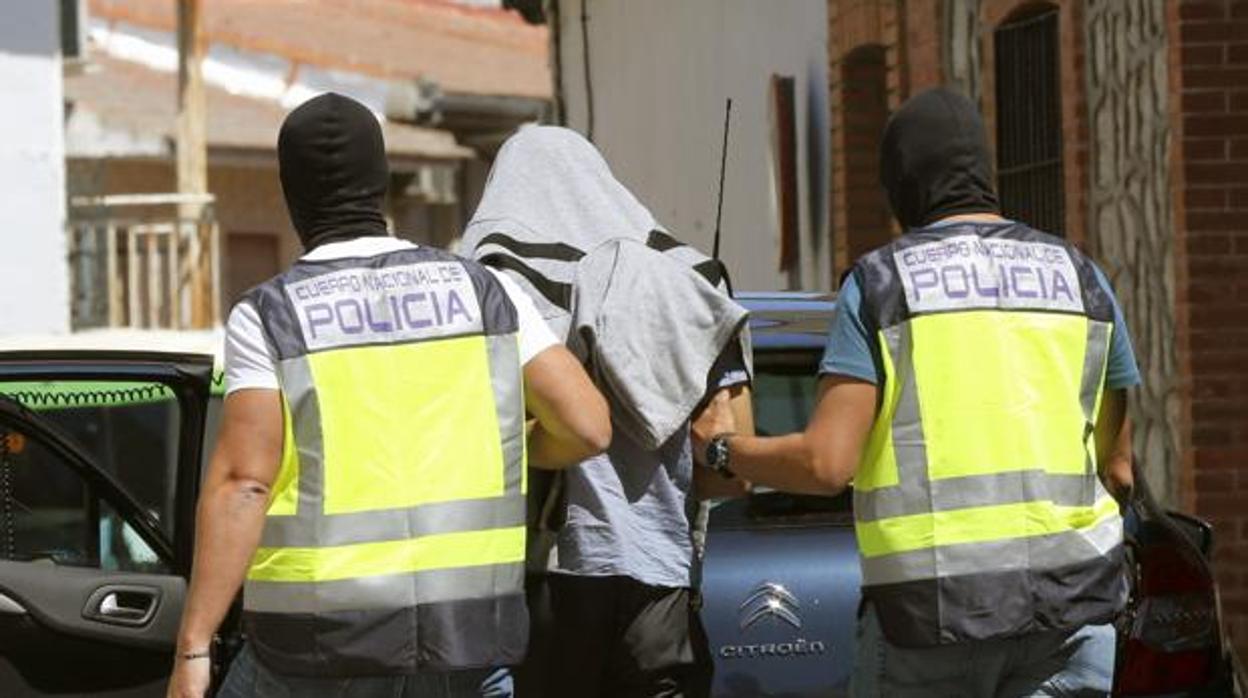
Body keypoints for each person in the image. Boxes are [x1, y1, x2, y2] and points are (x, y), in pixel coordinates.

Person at [692, 87, 1138, 697]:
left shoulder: (882, 286)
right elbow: (1118, 470)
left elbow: (827, 464)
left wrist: (721, 450)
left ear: (902, 181)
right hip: (1073, 615)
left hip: (934, 622)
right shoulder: (1082, 278)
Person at [166, 94, 611, 698]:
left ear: (292, 193)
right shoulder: (487, 291)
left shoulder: (271, 314)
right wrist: (503, 446)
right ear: (380, 185)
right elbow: (587, 427)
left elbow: (245, 482)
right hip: (468, 643)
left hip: (318, 648)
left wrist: (193, 648)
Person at [459, 126, 754, 698]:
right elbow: (730, 476)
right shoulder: (690, 287)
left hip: (544, 587)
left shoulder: (493, 285)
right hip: (661, 589)